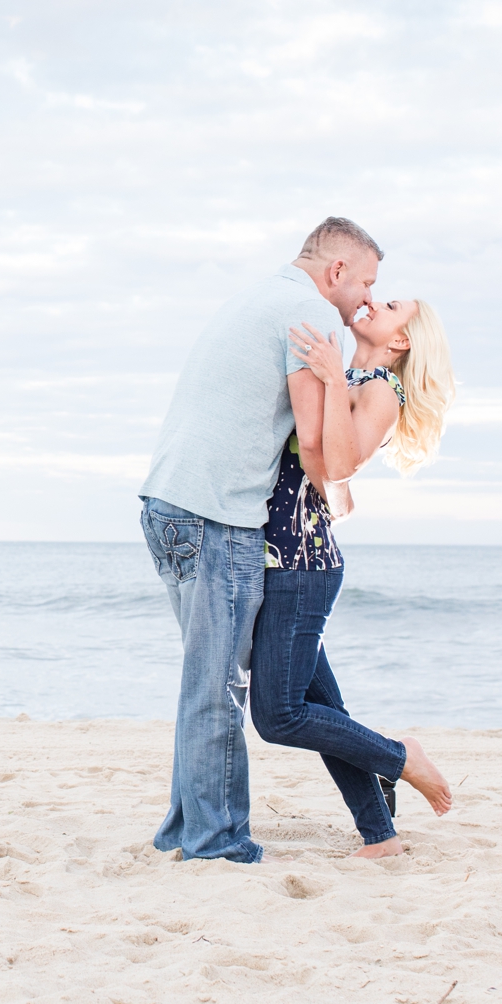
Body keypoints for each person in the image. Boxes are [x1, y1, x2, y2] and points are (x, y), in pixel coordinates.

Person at [138, 217, 383, 863]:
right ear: (337, 271)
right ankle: (216, 842)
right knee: (217, 689)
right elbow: (318, 448)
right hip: (216, 514)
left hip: (167, 503)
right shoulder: (312, 317)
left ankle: (183, 829)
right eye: (366, 283)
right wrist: (339, 382)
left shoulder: (256, 296)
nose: (365, 299)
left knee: (204, 684)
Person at [249, 296, 456, 856]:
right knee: (326, 714)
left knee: (280, 717)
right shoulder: (349, 374)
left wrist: (333, 382)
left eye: (390, 304)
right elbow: (333, 485)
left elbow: (341, 464)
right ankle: (379, 835)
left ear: (402, 340)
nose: (373, 301)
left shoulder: (381, 390)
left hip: (303, 566)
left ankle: (399, 756)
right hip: (287, 557)